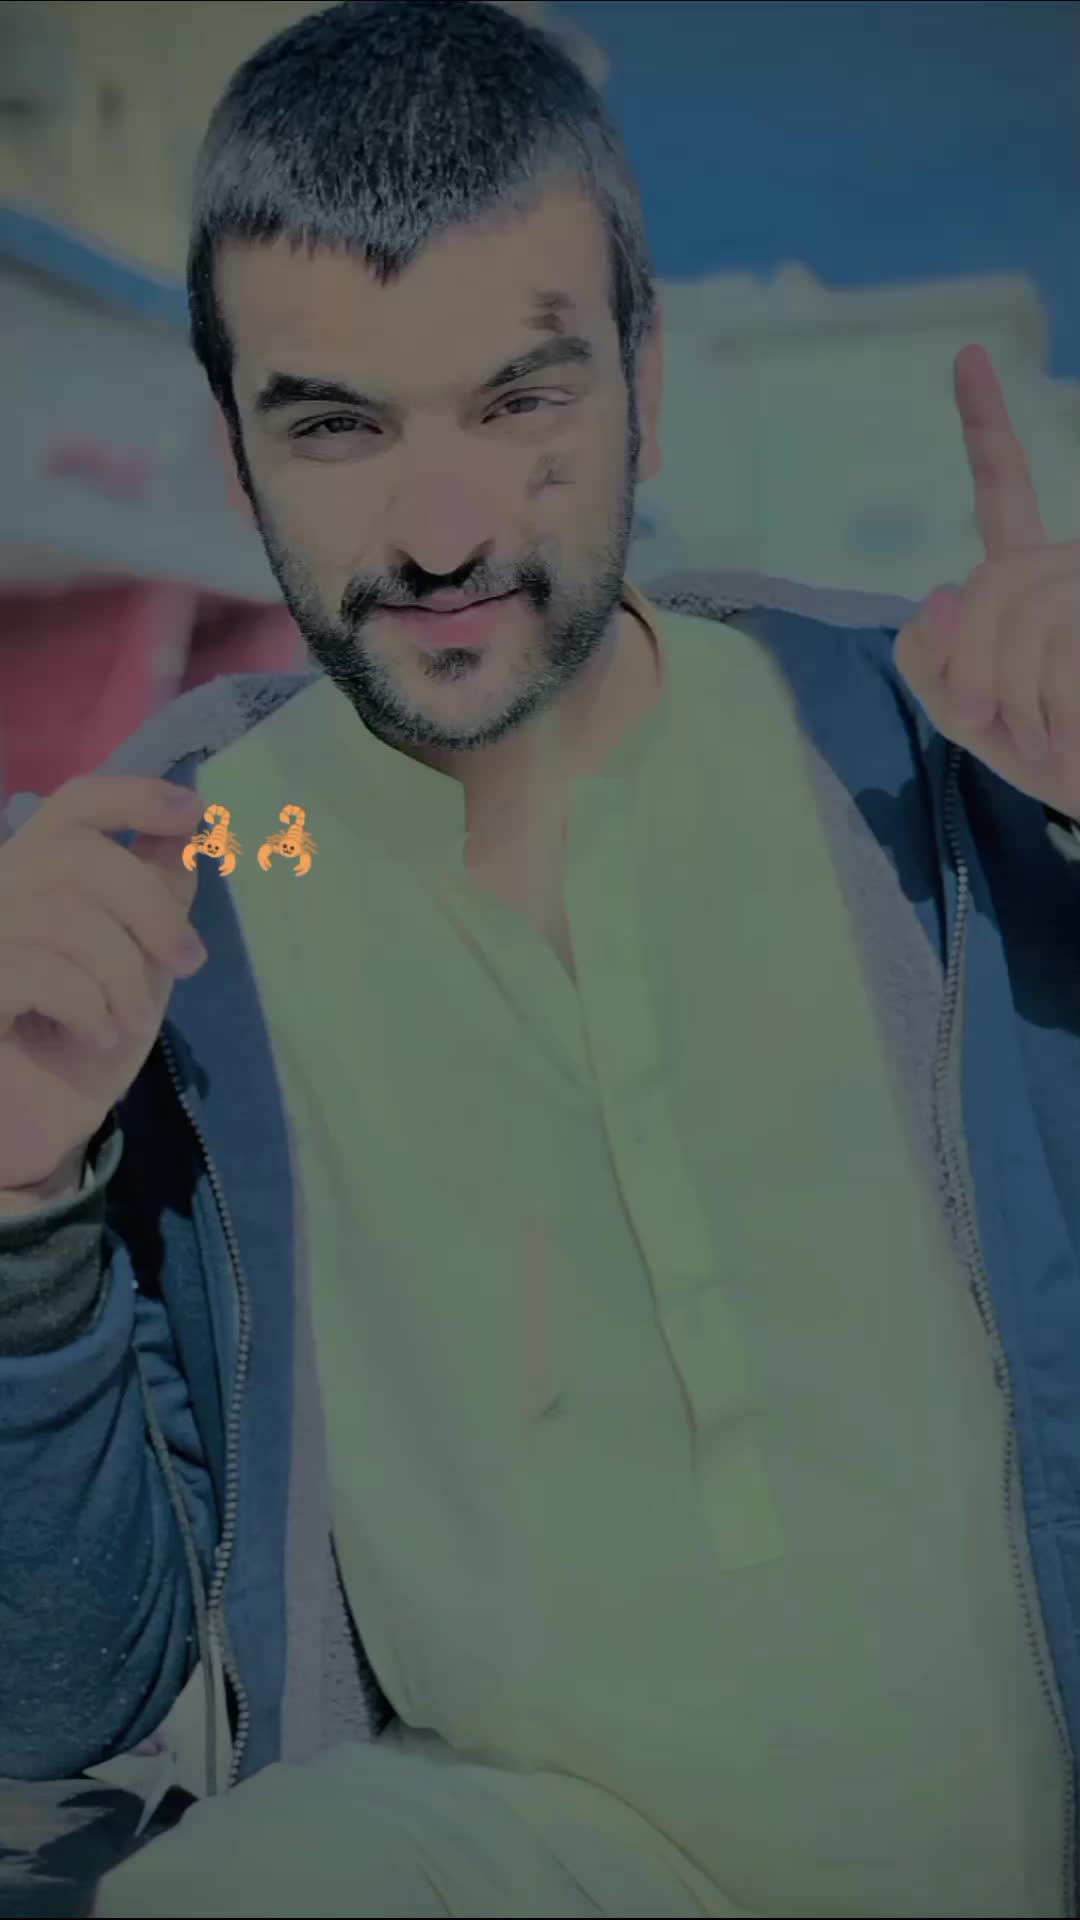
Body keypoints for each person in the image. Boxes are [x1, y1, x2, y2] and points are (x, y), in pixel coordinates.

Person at [2, 2, 1080, 1914]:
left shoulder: (930, 750)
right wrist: (22, 1204)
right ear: (230, 449)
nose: (440, 537)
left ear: (645, 374)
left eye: (522, 402)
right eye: (336, 424)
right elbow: (68, 1690)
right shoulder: (198, 880)